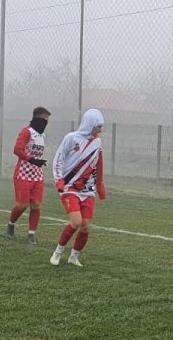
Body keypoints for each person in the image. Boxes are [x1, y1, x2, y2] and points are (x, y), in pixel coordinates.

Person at [50, 109, 106, 267]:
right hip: (69, 187)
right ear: (90, 124)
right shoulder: (71, 138)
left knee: (85, 227)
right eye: (98, 126)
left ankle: (74, 257)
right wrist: (59, 180)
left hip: (88, 190)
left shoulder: (97, 141)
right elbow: (58, 159)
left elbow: (99, 163)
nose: (99, 130)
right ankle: (58, 252)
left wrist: (100, 185)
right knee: (76, 221)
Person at [6, 106, 51, 244]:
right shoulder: (26, 132)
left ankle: (32, 234)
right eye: (44, 119)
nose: (46, 122)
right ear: (37, 118)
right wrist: (32, 160)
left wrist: (38, 162)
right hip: (23, 173)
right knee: (22, 204)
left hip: (37, 175)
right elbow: (17, 150)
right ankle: (11, 224)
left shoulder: (42, 135)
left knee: (36, 204)